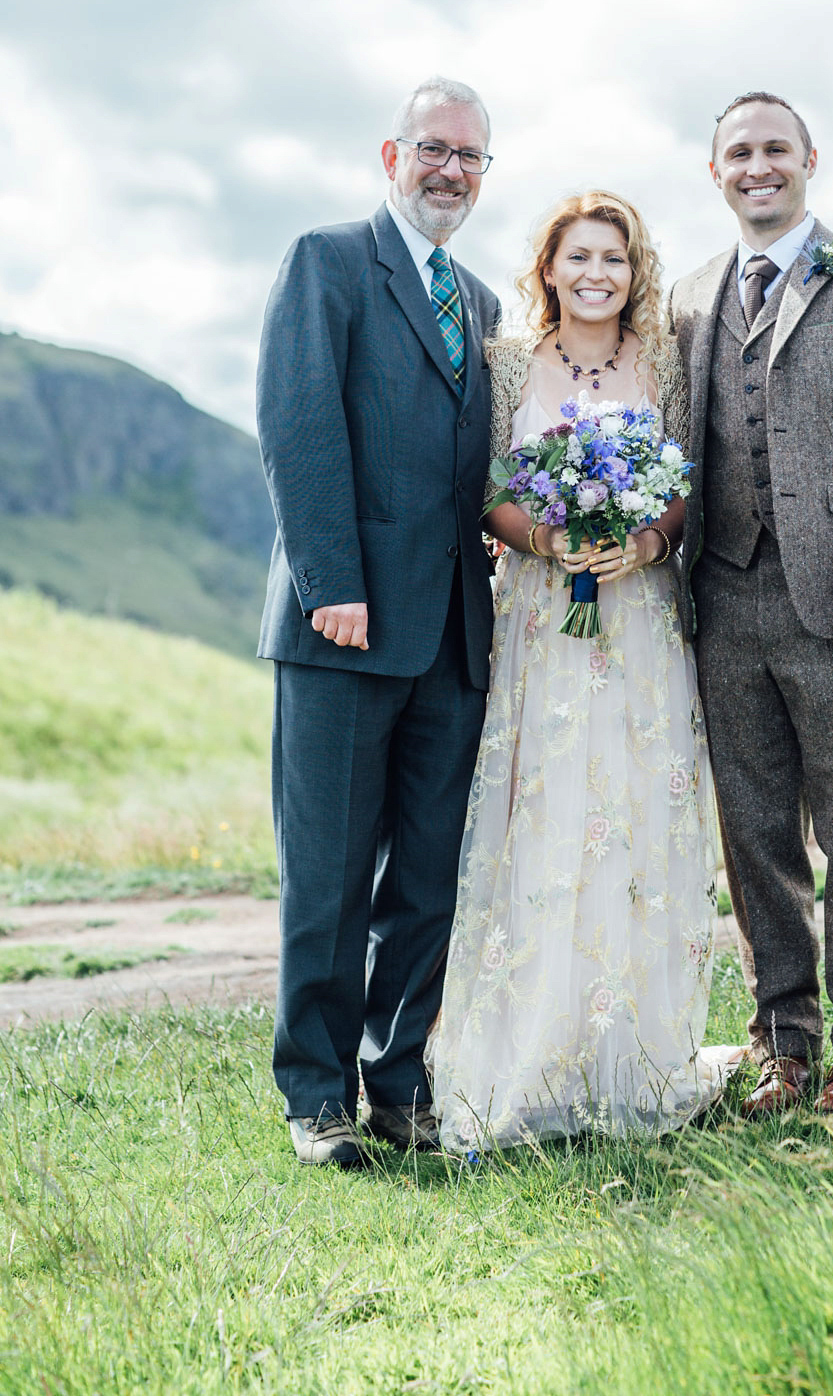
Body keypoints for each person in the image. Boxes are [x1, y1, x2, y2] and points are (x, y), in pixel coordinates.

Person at [428, 191, 738, 1151]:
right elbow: (486, 492)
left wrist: (644, 543)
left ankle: (636, 1056)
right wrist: (550, 538)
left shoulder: (666, 363)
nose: (596, 274)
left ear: (633, 270)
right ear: (549, 269)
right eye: (578, 258)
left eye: (614, 258)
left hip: (640, 625)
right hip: (539, 624)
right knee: (546, 811)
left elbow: (686, 482)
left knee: (635, 816)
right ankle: (533, 1052)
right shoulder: (508, 360)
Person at [669, 92, 833, 1117]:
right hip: (723, 598)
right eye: (738, 152)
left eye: (775, 148)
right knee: (755, 837)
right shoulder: (691, 296)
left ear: (810, 159)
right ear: (716, 172)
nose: (758, 166)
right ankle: (782, 1038)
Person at [257, 76, 501, 1166]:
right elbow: (298, 422)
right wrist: (330, 582)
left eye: (471, 157)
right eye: (434, 148)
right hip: (344, 626)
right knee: (330, 873)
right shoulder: (328, 262)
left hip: (453, 635)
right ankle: (317, 1097)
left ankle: (398, 1084)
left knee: (427, 877)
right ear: (390, 154)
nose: (452, 169)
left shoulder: (485, 303)